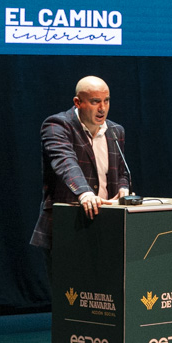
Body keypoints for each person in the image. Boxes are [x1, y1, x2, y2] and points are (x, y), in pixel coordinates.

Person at [30, 76, 132, 251]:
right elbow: (65, 162)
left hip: (107, 224)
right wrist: (85, 193)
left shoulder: (116, 131)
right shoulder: (58, 125)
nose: (102, 108)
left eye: (106, 101)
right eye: (95, 102)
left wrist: (123, 188)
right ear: (78, 102)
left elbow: (121, 172)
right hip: (69, 224)